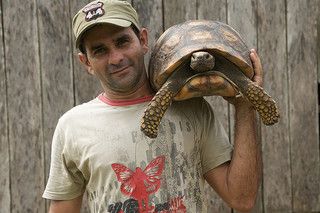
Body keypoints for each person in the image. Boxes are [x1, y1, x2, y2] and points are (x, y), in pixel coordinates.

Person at [43, 0, 262, 212]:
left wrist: (245, 106)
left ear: (143, 40)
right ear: (86, 62)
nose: (116, 58)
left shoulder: (192, 109)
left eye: (122, 42)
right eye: (100, 50)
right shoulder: (72, 126)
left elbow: (241, 199)